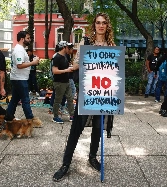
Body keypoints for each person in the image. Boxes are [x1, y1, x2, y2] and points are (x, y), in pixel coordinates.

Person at [53, 12, 115, 182]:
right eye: (98, 22)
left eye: (104, 22)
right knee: (76, 129)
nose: (101, 25)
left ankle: (93, 157)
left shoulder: (111, 45)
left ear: (107, 25)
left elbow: (114, 71)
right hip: (88, 91)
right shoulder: (86, 42)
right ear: (94, 25)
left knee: (97, 127)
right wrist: (82, 62)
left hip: (103, 92)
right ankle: (65, 164)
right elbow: (76, 64)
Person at [4, 31, 39, 121]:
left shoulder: (20, 49)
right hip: (20, 79)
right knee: (25, 100)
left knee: (15, 99)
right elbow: (20, 65)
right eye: (28, 38)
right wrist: (33, 62)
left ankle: (8, 116)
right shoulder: (19, 50)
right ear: (22, 39)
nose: (29, 40)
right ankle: (30, 119)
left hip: (18, 78)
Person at [51, 41, 74, 124]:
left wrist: (71, 67)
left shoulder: (65, 56)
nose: (69, 49)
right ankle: (55, 116)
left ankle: (72, 115)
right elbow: (54, 71)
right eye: (68, 47)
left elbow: (66, 67)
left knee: (70, 98)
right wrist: (67, 70)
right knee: (58, 100)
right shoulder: (57, 57)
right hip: (59, 82)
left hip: (66, 81)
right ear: (64, 48)